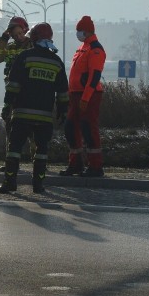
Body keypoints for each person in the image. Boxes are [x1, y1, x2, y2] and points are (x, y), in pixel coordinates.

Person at [0, 23, 68, 194]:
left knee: (14, 149)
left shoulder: (24, 57)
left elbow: (13, 85)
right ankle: (38, 185)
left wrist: (7, 106)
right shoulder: (57, 62)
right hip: (44, 117)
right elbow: (63, 92)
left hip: (22, 114)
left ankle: (10, 182)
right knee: (41, 151)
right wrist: (62, 112)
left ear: (34, 38)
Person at [60, 15, 106, 177]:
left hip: (89, 95)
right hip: (76, 95)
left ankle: (95, 166)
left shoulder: (95, 49)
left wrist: (86, 98)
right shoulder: (83, 48)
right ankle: (76, 163)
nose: (77, 33)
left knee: (88, 128)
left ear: (86, 31)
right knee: (71, 128)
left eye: (79, 31)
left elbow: (94, 77)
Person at [0, 16, 33, 171]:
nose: (18, 37)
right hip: (12, 93)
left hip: (29, 92)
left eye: (20, 33)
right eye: (14, 35)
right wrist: (4, 38)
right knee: (10, 125)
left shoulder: (32, 46)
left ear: (26, 30)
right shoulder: (11, 47)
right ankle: (11, 161)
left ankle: (38, 162)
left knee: (33, 128)